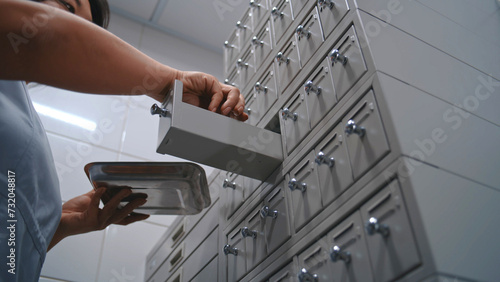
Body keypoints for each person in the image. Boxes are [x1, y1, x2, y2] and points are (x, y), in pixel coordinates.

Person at [0, 0, 248, 280]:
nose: (67, 24)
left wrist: (60, 223)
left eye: (82, 24)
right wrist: (171, 82)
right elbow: (39, 36)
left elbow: (13, 251)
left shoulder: (18, 106)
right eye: (68, 8)